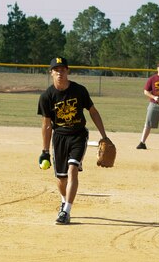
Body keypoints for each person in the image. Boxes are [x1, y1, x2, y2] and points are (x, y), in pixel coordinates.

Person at [37, 56, 110, 225]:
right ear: (51, 73)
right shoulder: (47, 96)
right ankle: (64, 201)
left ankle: (66, 211)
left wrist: (104, 136)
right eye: (56, 70)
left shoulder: (79, 90)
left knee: (72, 170)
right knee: (61, 178)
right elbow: (47, 125)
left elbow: (93, 111)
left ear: (67, 71)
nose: (60, 73)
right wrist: (45, 151)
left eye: (63, 70)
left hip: (78, 135)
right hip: (59, 138)